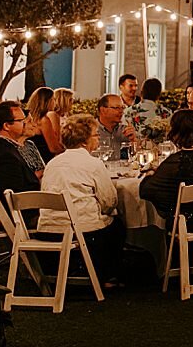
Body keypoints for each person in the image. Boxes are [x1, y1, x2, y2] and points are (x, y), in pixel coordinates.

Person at [39, 114, 126, 286]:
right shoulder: (93, 164)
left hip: (48, 229)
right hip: (83, 231)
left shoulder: (52, 164)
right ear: (85, 141)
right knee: (117, 227)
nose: (98, 139)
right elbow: (109, 202)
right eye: (95, 135)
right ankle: (105, 276)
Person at [139, 110, 193, 228]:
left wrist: (150, 173)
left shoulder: (177, 160)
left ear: (177, 133)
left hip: (185, 223)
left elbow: (146, 190)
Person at [0, 100, 41, 194]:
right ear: (6, 126)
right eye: (22, 121)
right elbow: (16, 198)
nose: (25, 124)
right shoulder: (6, 156)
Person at [95, 94, 134, 159]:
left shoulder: (124, 130)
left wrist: (134, 140)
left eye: (122, 108)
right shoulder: (90, 131)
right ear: (103, 110)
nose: (121, 111)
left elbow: (136, 155)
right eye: (117, 108)